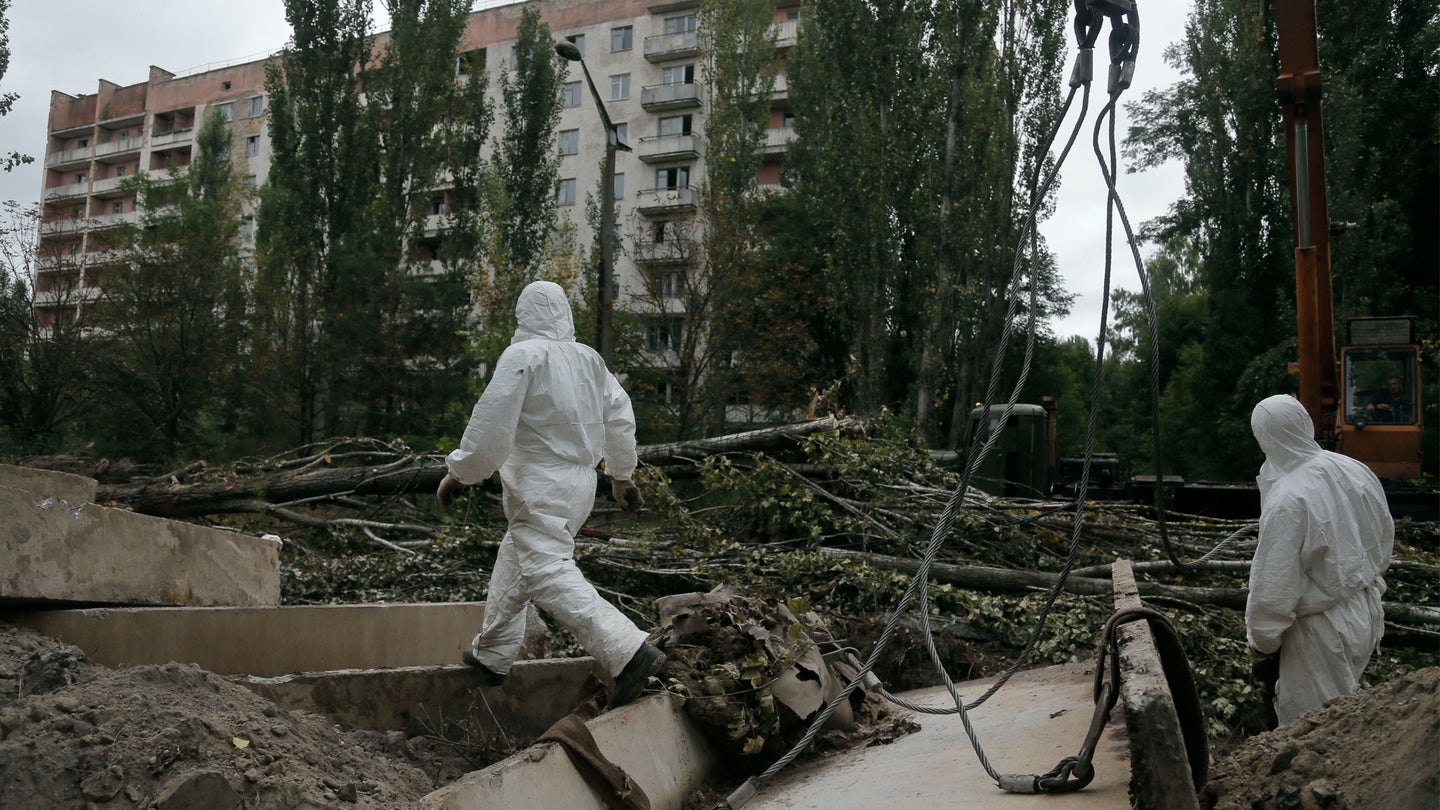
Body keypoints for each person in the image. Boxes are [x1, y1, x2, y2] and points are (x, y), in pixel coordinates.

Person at [436, 280, 666, 710]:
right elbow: (620, 416)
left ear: (524, 314)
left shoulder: (523, 357)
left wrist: (460, 473)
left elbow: (491, 428)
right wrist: (620, 475)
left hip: (539, 481)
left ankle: (629, 651)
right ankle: (493, 655)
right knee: (518, 557)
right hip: (581, 482)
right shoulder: (589, 360)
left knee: (545, 568)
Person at [1246, 394, 1394, 726]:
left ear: (1264, 437)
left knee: (1313, 731)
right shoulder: (1353, 468)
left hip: (1321, 634)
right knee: (1342, 718)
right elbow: (1384, 535)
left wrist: (1262, 642)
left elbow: (1273, 587)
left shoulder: (1288, 498)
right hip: (1365, 611)